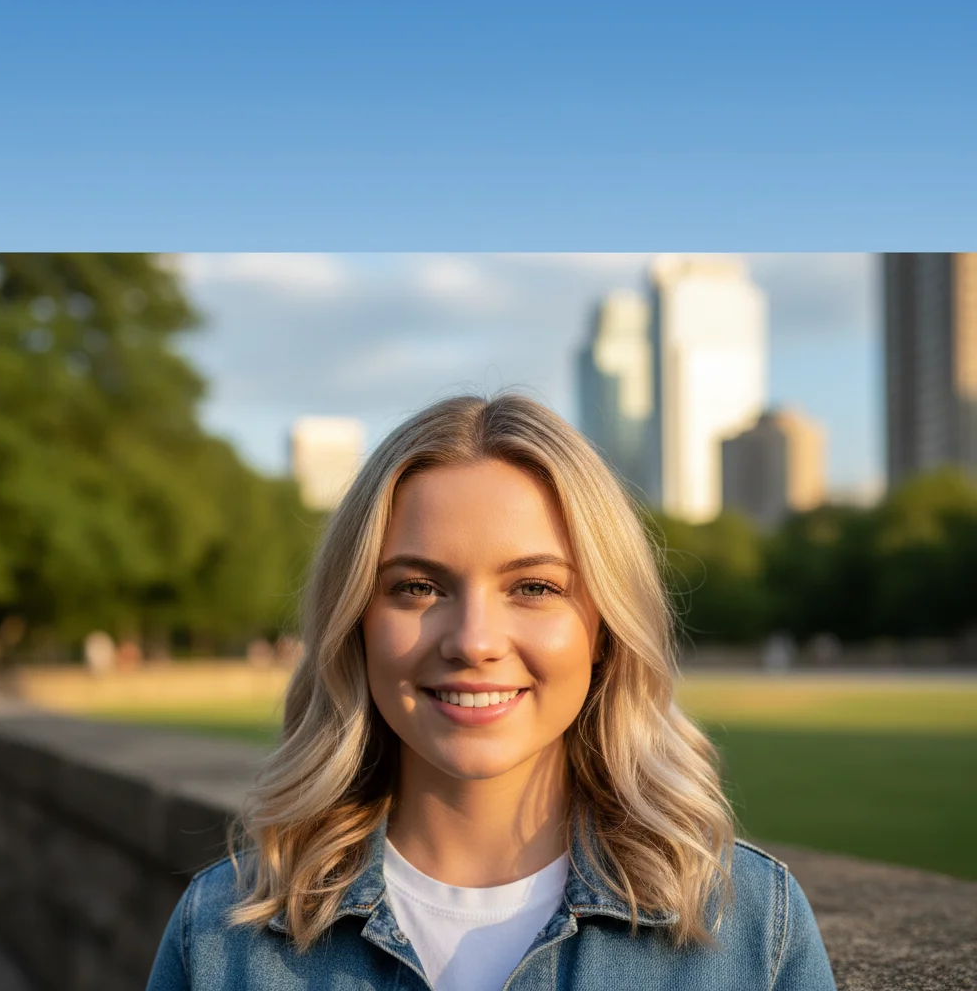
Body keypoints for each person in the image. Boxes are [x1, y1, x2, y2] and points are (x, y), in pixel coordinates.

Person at [146, 393, 837, 991]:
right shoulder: (221, 934)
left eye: (534, 587)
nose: (474, 640)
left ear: (605, 629)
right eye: (418, 587)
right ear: (354, 621)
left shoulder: (750, 924)